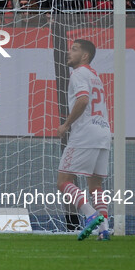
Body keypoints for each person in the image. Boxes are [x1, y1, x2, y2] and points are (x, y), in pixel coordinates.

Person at [57, 39, 111, 241]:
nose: (69, 52)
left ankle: (90, 216)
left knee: (64, 181)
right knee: (95, 185)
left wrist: (66, 124)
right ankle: (104, 229)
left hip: (85, 133)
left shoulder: (78, 74)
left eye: (74, 49)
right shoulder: (95, 76)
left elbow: (83, 99)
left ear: (85, 56)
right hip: (103, 132)